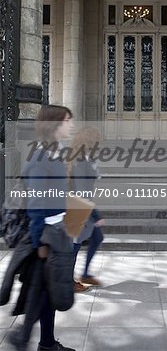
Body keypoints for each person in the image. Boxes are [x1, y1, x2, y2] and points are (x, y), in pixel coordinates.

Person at [1, 105, 76, 351]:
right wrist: (40, 243)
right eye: (67, 121)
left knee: (43, 290)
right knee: (42, 290)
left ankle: (38, 340)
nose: (71, 125)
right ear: (54, 125)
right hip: (46, 235)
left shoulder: (55, 154)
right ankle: (29, 339)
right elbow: (36, 204)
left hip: (56, 232)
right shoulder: (40, 157)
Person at [67, 126, 104, 292]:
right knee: (74, 246)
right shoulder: (80, 162)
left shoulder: (84, 159)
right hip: (79, 210)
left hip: (81, 208)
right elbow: (82, 192)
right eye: (96, 143)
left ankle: (85, 274)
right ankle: (69, 281)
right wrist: (96, 216)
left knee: (97, 237)